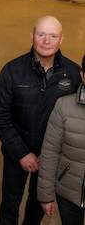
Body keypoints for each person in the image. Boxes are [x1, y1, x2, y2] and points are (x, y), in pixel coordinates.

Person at [0, 15, 81, 225]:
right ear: (32, 36)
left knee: (37, 209)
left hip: (51, 159)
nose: (46, 41)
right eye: (41, 34)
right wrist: (22, 153)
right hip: (16, 155)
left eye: (53, 36)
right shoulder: (12, 71)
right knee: (9, 206)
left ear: (61, 40)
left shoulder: (73, 74)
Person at [37, 55, 85, 225]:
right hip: (68, 193)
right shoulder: (63, 106)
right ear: (83, 75)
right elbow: (50, 151)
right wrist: (46, 196)